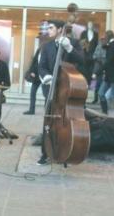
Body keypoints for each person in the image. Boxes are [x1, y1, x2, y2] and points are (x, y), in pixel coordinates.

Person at [37, 19, 84, 165]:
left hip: (68, 91)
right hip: (52, 91)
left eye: (51, 28)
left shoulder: (74, 44)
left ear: (60, 29)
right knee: (48, 122)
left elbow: (83, 60)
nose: (48, 30)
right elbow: (41, 66)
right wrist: (46, 76)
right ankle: (46, 153)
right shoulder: (47, 46)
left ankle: (67, 150)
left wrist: (69, 49)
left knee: (67, 123)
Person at [97, 30, 114, 120]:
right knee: (101, 93)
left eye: (105, 37)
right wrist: (103, 43)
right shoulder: (112, 45)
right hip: (109, 75)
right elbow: (106, 49)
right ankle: (105, 113)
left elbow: (110, 60)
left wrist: (99, 70)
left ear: (108, 37)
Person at [23, 47, 42, 115]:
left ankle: (48, 111)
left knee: (47, 94)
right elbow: (33, 65)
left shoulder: (47, 54)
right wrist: (31, 72)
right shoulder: (37, 55)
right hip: (36, 78)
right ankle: (31, 110)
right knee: (32, 93)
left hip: (45, 76)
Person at [91, 37, 107, 104]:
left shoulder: (107, 47)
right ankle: (95, 99)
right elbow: (94, 56)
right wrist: (98, 59)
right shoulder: (98, 46)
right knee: (97, 84)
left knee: (102, 84)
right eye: (101, 40)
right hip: (98, 68)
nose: (102, 41)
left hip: (105, 67)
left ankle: (102, 99)